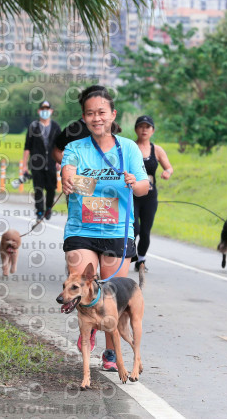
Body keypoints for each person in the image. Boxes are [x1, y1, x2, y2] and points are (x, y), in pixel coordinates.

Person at [61, 86, 149, 371]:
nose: (96, 118)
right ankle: (89, 326)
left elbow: (144, 188)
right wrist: (70, 180)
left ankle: (111, 353)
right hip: (81, 230)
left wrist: (132, 182)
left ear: (112, 114)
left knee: (111, 297)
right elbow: (69, 175)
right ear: (84, 118)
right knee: (84, 284)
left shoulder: (129, 148)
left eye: (101, 112)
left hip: (117, 232)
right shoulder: (76, 148)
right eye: (90, 113)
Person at [132, 115, 174, 272]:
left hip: (149, 196)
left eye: (147, 127)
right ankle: (129, 253)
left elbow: (169, 167)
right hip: (133, 194)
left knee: (145, 230)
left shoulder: (157, 150)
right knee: (134, 228)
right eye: (141, 126)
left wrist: (167, 173)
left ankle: (141, 260)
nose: (144, 130)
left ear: (152, 130)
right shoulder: (130, 147)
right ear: (136, 129)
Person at [22, 100, 61, 220]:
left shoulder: (55, 127)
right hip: (36, 163)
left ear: (51, 111)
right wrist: (24, 165)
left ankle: (48, 208)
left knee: (51, 188)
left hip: (51, 162)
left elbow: (60, 146)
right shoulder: (33, 127)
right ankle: (39, 211)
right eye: (43, 110)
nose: (45, 112)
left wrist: (60, 161)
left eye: (47, 110)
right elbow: (27, 147)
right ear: (39, 111)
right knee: (38, 188)